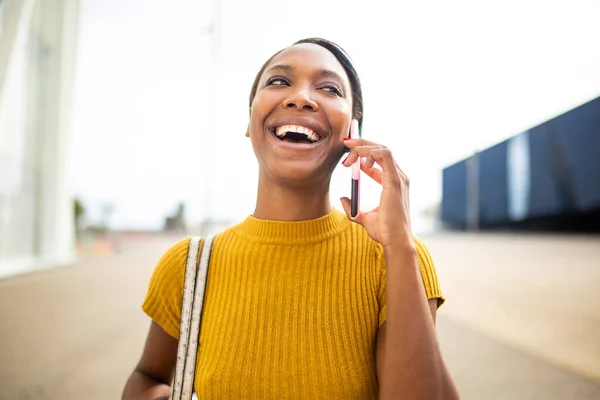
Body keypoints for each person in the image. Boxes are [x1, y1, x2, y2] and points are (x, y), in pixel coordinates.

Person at [122, 38, 459, 400]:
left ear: (353, 134)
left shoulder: (394, 260)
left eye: (328, 88)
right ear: (250, 121)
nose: (300, 97)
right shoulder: (188, 265)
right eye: (279, 81)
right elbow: (146, 376)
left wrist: (399, 247)